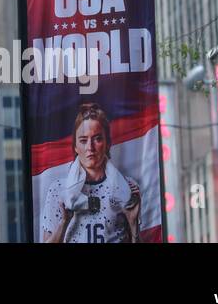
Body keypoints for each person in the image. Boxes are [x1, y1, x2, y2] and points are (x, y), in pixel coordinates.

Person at [41, 103, 142, 243]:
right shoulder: (59, 190)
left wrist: (133, 223)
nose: (90, 147)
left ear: (107, 143)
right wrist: (64, 222)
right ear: (75, 146)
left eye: (97, 139)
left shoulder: (125, 188)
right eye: (83, 140)